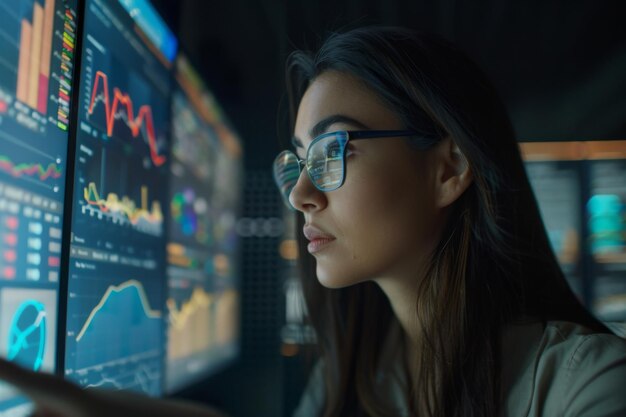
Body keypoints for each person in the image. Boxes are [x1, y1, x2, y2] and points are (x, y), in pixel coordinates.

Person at [1, 25, 626, 417]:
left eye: (331, 152)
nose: (299, 193)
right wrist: (81, 401)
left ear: (448, 169)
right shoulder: (363, 370)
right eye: (297, 162)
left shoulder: (590, 388)